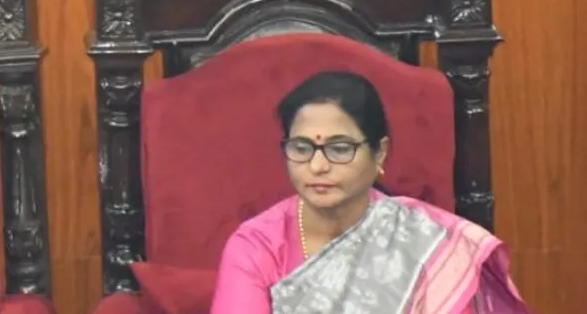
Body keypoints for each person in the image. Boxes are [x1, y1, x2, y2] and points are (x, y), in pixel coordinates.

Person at [211, 70, 530, 314]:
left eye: (339, 148)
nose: (318, 166)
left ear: (379, 153)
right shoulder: (257, 246)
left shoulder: (426, 239)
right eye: (302, 147)